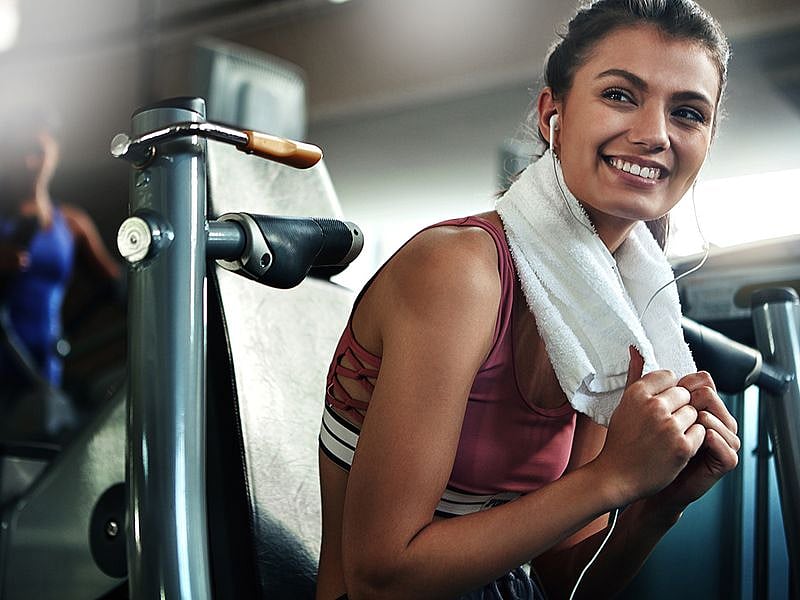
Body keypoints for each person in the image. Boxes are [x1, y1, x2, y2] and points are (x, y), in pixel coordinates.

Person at [317, 1, 740, 598]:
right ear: (553, 114)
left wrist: (656, 506)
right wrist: (612, 477)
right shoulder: (459, 271)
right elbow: (377, 577)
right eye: (620, 95)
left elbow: (563, 580)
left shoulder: (614, 307)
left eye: (688, 112)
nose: (654, 134)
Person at [0, 106, 121, 437]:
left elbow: (118, 287)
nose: (29, 162)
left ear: (55, 153)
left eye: (37, 152)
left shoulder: (72, 224)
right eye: (20, 152)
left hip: (43, 373)